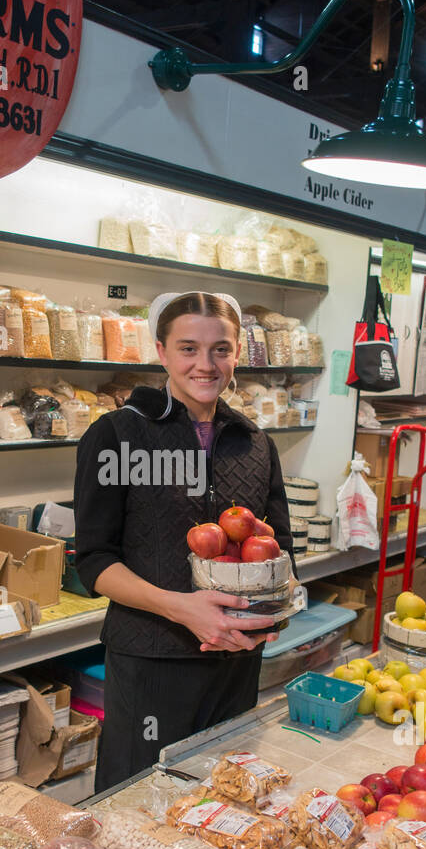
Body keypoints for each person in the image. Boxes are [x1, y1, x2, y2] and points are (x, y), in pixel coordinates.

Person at [74, 290, 295, 792]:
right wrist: (181, 607)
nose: (206, 364)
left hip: (236, 661)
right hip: (153, 659)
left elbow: (279, 547)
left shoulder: (255, 443)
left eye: (221, 349)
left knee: (222, 802)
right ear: (161, 351)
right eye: (188, 348)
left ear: (237, 354)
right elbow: (94, 560)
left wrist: (274, 608)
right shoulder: (116, 437)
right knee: (140, 802)